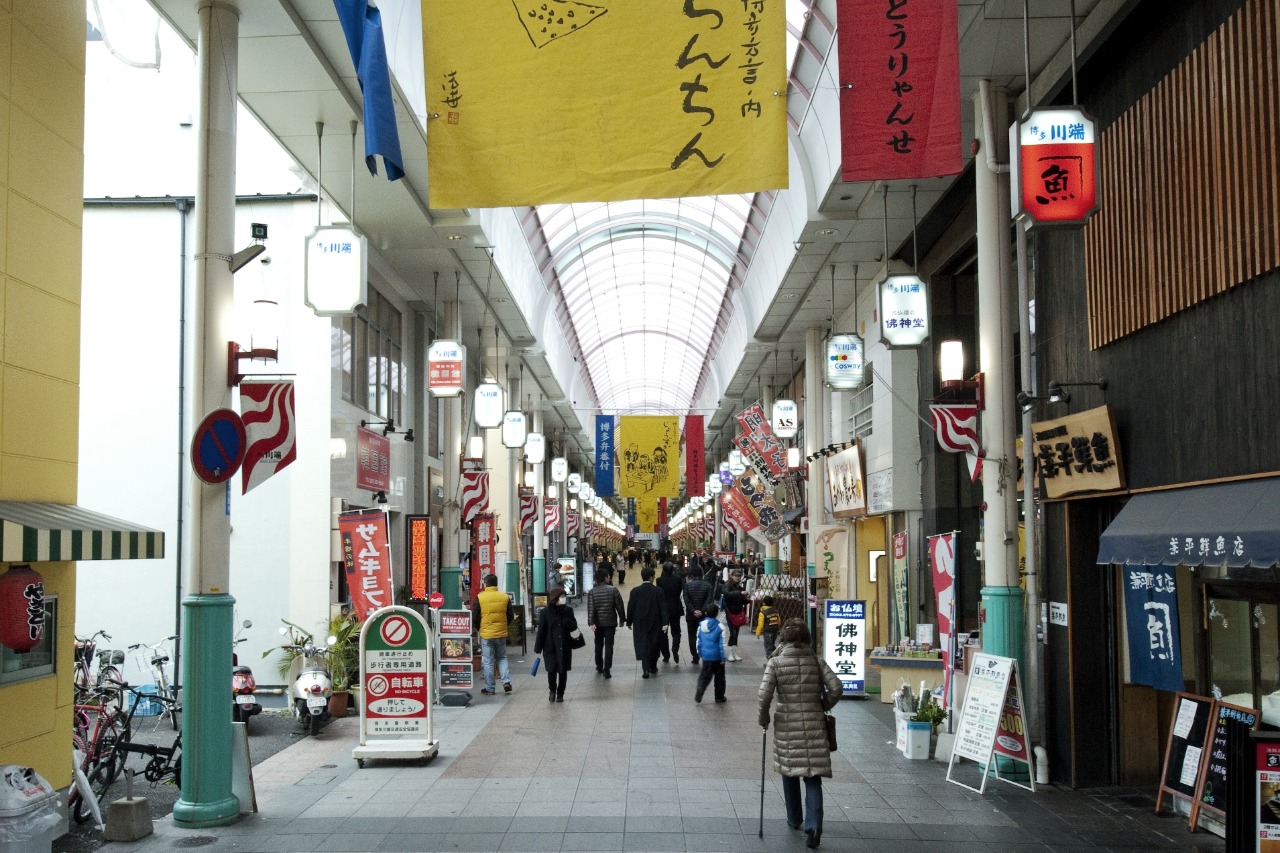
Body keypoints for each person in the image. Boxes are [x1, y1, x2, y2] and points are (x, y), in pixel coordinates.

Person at [757, 619, 844, 849]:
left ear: (783, 638)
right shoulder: (816, 661)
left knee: (789, 770)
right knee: (812, 774)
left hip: (787, 724)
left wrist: (763, 718)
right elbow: (836, 687)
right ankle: (814, 826)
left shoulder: (775, 662)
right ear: (807, 638)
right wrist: (824, 703)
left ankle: (794, 818)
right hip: (814, 722)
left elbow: (764, 695)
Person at [471, 574, 513, 695]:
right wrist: (504, 626)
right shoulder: (504, 597)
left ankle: (490, 688)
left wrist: (479, 628)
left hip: (486, 634)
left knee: (488, 662)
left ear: (485, 584)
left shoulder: (480, 597)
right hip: (501, 633)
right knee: (502, 658)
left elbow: (475, 616)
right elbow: (510, 615)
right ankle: (506, 682)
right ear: (496, 584)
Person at [534, 586, 578, 702]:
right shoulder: (545, 613)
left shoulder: (568, 611)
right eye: (561, 596)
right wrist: (538, 647)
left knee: (563, 671)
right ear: (555, 598)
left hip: (564, 645)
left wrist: (569, 623)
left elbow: (574, 627)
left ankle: (560, 693)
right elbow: (542, 631)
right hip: (550, 646)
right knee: (551, 670)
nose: (564, 598)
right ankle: (552, 691)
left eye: (564, 596)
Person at [625, 565, 667, 678]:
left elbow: (630, 607)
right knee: (654, 643)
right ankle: (653, 666)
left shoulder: (635, 591)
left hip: (640, 622)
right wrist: (665, 622)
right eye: (653, 577)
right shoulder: (658, 591)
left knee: (643, 644)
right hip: (655, 622)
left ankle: (645, 669)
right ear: (651, 578)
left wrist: (629, 621)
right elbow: (663, 607)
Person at [586, 567, 625, 678]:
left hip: (598, 624)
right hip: (610, 623)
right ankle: (607, 669)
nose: (609, 578)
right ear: (605, 577)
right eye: (608, 576)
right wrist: (622, 619)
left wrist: (591, 622)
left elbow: (591, 609)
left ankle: (599, 665)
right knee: (609, 646)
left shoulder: (592, 592)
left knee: (598, 645)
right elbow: (619, 606)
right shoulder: (613, 590)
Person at [694, 603, 728, 703]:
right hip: (717, 657)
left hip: (706, 656)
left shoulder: (701, 625)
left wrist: (699, 652)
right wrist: (723, 658)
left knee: (704, 676)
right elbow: (722, 644)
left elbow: (698, 640)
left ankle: (700, 688)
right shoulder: (721, 627)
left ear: (705, 613)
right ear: (717, 614)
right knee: (720, 678)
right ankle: (719, 697)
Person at [682, 568, 714, 665]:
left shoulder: (687, 585)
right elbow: (709, 601)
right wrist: (702, 611)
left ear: (691, 575)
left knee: (692, 635)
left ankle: (695, 656)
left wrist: (693, 610)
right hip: (704, 616)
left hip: (691, 615)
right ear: (702, 574)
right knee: (704, 635)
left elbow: (686, 601)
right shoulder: (708, 585)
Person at [655, 561, 685, 664]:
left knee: (663, 632)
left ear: (663, 570)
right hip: (676, 608)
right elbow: (679, 591)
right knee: (676, 631)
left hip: (663, 609)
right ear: (673, 570)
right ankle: (675, 648)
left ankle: (666, 655)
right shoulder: (678, 580)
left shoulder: (659, 580)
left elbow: (659, 593)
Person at [721, 570, 750, 662]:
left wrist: (749, 599)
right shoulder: (728, 585)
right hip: (730, 612)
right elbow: (727, 594)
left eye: (739, 576)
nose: (738, 577)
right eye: (736, 576)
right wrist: (740, 593)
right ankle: (730, 653)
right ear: (732, 576)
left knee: (736, 633)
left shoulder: (739, 586)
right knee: (733, 632)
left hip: (738, 612)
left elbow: (742, 600)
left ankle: (734, 652)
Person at [755, 595, 782, 659]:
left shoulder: (762, 613)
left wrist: (758, 633)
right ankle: (775, 658)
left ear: (764, 603)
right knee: (772, 645)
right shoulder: (775, 611)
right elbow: (779, 621)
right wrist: (777, 627)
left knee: (768, 647)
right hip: (775, 631)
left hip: (767, 632)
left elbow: (760, 624)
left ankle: (771, 661)